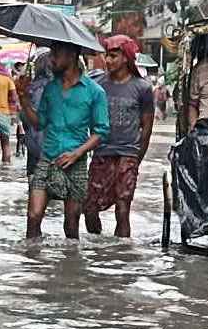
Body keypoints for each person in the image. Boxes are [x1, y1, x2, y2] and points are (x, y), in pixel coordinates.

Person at [17, 43, 111, 240]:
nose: (51, 59)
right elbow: (39, 123)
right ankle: (33, 264)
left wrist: (76, 153)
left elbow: (101, 131)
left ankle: (70, 268)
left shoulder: (95, 92)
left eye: (56, 54)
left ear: (71, 56)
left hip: (75, 164)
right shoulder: (51, 89)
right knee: (33, 217)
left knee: (71, 225)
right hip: (47, 159)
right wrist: (24, 99)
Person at [83, 36, 155, 239]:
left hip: (128, 154)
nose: (108, 60)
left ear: (126, 58)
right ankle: (97, 252)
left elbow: (147, 127)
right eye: (107, 55)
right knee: (89, 209)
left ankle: (121, 256)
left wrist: (136, 159)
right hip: (102, 152)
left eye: (113, 56)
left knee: (122, 210)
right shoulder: (97, 84)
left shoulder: (143, 88)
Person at [22, 49, 53, 178]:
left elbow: (25, 118)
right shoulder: (60, 87)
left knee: (34, 180)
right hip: (53, 145)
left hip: (34, 143)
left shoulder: (31, 88)